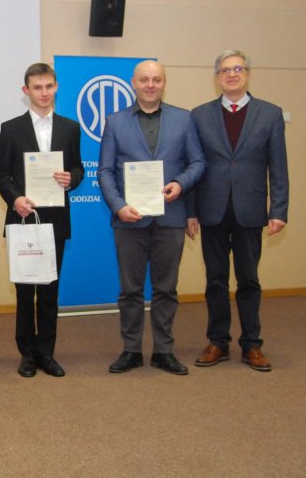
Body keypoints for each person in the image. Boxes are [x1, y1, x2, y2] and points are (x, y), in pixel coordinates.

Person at [97, 60, 205, 376]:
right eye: (144, 79)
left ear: (164, 83)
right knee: (130, 290)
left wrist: (180, 184)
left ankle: (163, 351)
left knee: (166, 289)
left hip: (170, 217)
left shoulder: (184, 119)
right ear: (133, 83)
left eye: (156, 80)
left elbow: (197, 163)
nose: (150, 85)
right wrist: (118, 205)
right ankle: (131, 350)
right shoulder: (115, 121)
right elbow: (105, 170)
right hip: (129, 219)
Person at [190, 50, 289, 372]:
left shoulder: (270, 114)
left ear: (247, 73)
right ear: (216, 77)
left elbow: (278, 166)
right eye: (224, 70)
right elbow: (193, 166)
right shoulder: (200, 115)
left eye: (238, 69)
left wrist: (279, 210)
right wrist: (191, 211)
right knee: (215, 280)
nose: (231, 74)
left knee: (249, 280)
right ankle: (218, 341)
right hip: (211, 210)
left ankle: (252, 345)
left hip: (250, 210)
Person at [0, 63, 83, 378]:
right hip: (22, 218)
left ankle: (47, 353)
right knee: (23, 291)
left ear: (56, 86)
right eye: (37, 87)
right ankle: (27, 354)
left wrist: (70, 178)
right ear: (26, 91)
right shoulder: (10, 128)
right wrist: (16, 198)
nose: (44, 93)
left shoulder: (70, 127)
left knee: (49, 291)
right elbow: (1, 174)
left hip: (56, 220)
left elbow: (78, 170)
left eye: (49, 86)